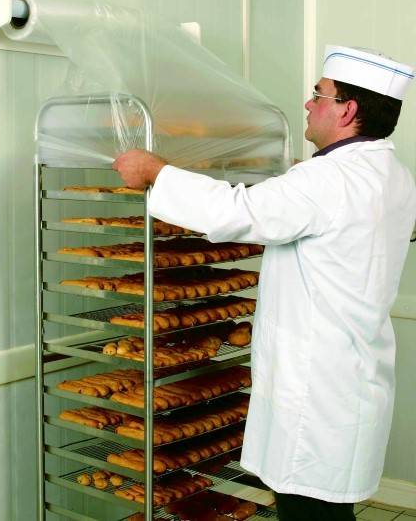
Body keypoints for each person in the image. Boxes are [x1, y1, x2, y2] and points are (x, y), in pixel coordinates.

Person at [113, 45, 416, 521]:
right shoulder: (390, 173)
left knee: (309, 512)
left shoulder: (327, 180)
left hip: (317, 389)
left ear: (347, 110)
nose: (308, 104)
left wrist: (157, 174)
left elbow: (236, 211)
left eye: (319, 94)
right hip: (352, 376)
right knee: (326, 510)